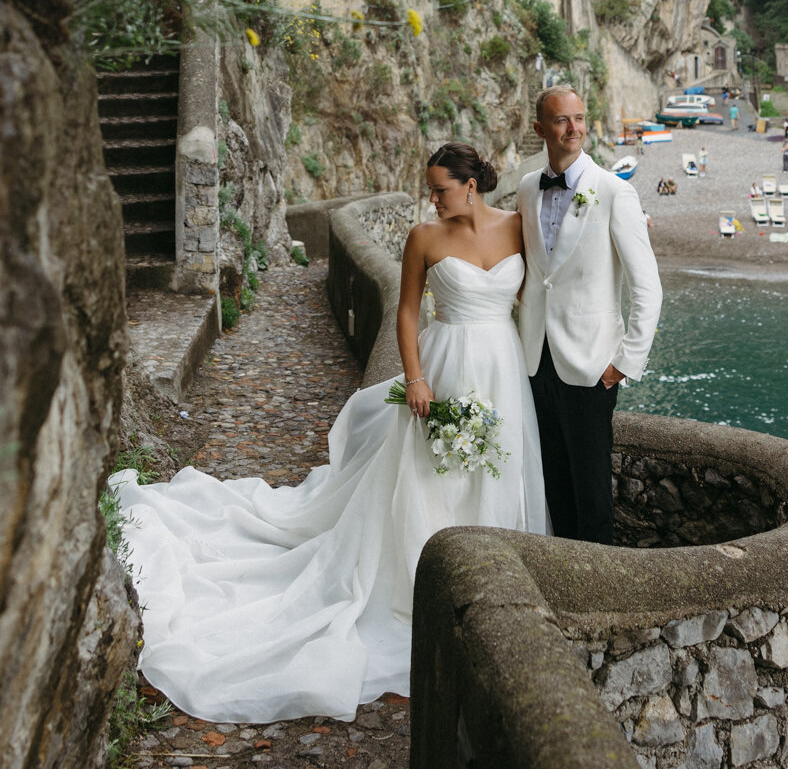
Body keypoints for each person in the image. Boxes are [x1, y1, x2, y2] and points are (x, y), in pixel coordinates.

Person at [110, 143, 547, 723]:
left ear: (471, 186)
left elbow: (542, 293)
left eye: (440, 189)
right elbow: (408, 313)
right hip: (445, 366)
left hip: (503, 369)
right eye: (430, 190)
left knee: (496, 467)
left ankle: (493, 584)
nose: (433, 199)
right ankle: (422, 581)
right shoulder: (425, 237)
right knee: (430, 475)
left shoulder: (519, 227)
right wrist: (414, 378)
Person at [518, 85, 662, 544]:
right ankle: (561, 575)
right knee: (552, 481)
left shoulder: (615, 192)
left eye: (579, 118)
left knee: (592, 489)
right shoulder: (525, 190)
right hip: (535, 361)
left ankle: (599, 588)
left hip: (591, 365)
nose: (573, 129)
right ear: (540, 128)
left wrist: (624, 363)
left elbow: (647, 287)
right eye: (561, 120)